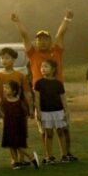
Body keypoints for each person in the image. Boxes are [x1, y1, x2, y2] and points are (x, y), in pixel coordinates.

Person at [11, 10, 77, 159]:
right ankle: (49, 155)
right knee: (44, 129)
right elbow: (24, 36)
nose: (42, 41)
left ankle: (67, 153)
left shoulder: (56, 51)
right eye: (39, 39)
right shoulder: (33, 53)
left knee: (64, 127)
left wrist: (67, 19)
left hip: (57, 92)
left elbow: (60, 35)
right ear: (36, 42)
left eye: (45, 39)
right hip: (40, 94)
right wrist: (17, 22)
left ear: (50, 41)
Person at [34, 58, 70, 164]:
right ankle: (49, 156)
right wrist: (38, 111)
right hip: (45, 112)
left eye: (46, 67)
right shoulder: (39, 83)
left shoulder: (58, 83)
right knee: (48, 134)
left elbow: (63, 98)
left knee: (61, 132)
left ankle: (64, 155)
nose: (43, 69)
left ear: (53, 69)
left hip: (58, 111)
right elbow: (37, 98)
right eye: (42, 67)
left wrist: (66, 111)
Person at [1, 80, 38, 169]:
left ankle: (31, 156)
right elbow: (3, 113)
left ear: (14, 91)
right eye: (4, 88)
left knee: (17, 144)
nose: (5, 90)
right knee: (11, 144)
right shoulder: (4, 101)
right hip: (8, 126)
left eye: (7, 88)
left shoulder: (20, 102)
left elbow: (25, 113)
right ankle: (15, 161)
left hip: (18, 126)